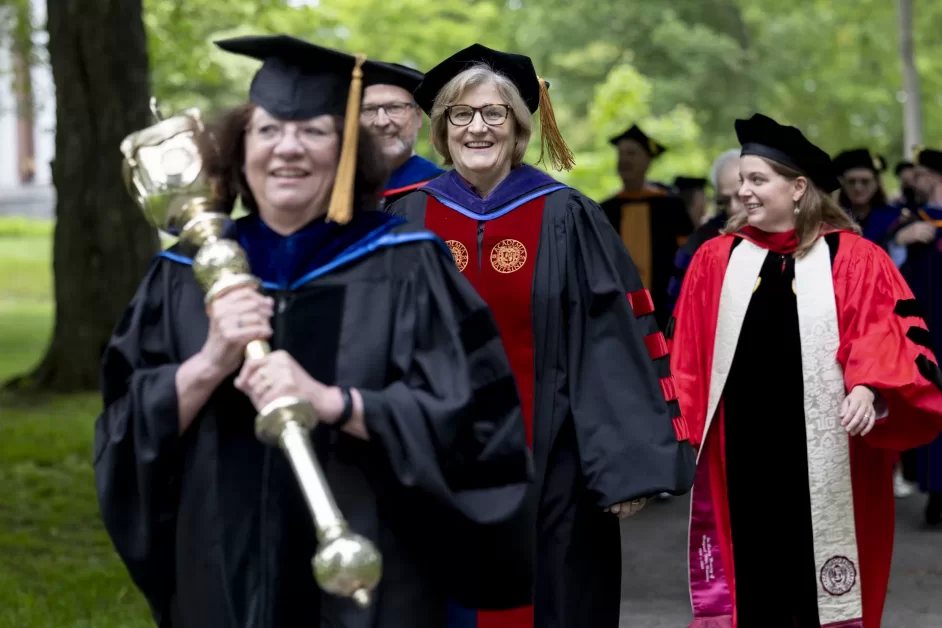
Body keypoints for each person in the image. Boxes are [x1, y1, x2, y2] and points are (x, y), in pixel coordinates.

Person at [94, 35, 532, 628]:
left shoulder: (406, 265)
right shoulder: (180, 278)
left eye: (314, 131)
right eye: (268, 130)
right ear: (240, 149)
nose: (288, 150)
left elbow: (473, 422)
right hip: (224, 576)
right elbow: (122, 432)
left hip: (378, 576)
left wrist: (334, 402)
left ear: (348, 150)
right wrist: (210, 361)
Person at [388, 43, 696, 628]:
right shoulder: (407, 218)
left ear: (520, 127)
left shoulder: (567, 217)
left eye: (494, 114)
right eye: (461, 114)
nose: (477, 128)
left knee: (555, 598)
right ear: (443, 128)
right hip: (434, 462)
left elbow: (615, 341)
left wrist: (623, 466)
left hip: (555, 463)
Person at [672, 113, 942, 627]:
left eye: (757, 180)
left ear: (798, 188)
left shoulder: (854, 257)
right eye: (740, 182)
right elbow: (687, 355)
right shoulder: (716, 259)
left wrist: (868, 387)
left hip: (830, 454)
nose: (743, 193)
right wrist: (673, 435)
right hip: (740, 455)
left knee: (820, 591)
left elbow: (885, 332)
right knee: (751, 583)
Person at [598, 123, 693, 328]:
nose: (624, 160)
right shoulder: (604, 210)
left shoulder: (670, 206)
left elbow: (687, 259)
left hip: (665, 308)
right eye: (621, 154)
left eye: (632, 153)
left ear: (648, 160)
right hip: (618, 312)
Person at [892, 147, 942, 525]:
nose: (915, 180)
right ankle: (936, 493)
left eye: (922, 174)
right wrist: (902, 240)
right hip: (928, 334)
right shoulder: (909, 223)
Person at [667, 149, 745, 310]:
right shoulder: (702, 242)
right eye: (725, 201)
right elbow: (678, 305)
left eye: (740, 196)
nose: (734, 208)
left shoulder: (780, 231)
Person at [361, 60, 445, 205]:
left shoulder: (445, 191)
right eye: (369, 109)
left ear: (418, 117)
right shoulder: (333, 188)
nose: (381, 122)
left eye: (394, 107)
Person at [832, 148, 898, 243]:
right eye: (851, 181)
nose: (858, 188)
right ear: (843, 184)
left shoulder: (894, 219)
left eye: (865, 181)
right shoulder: (832, 220)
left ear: (876, 184)